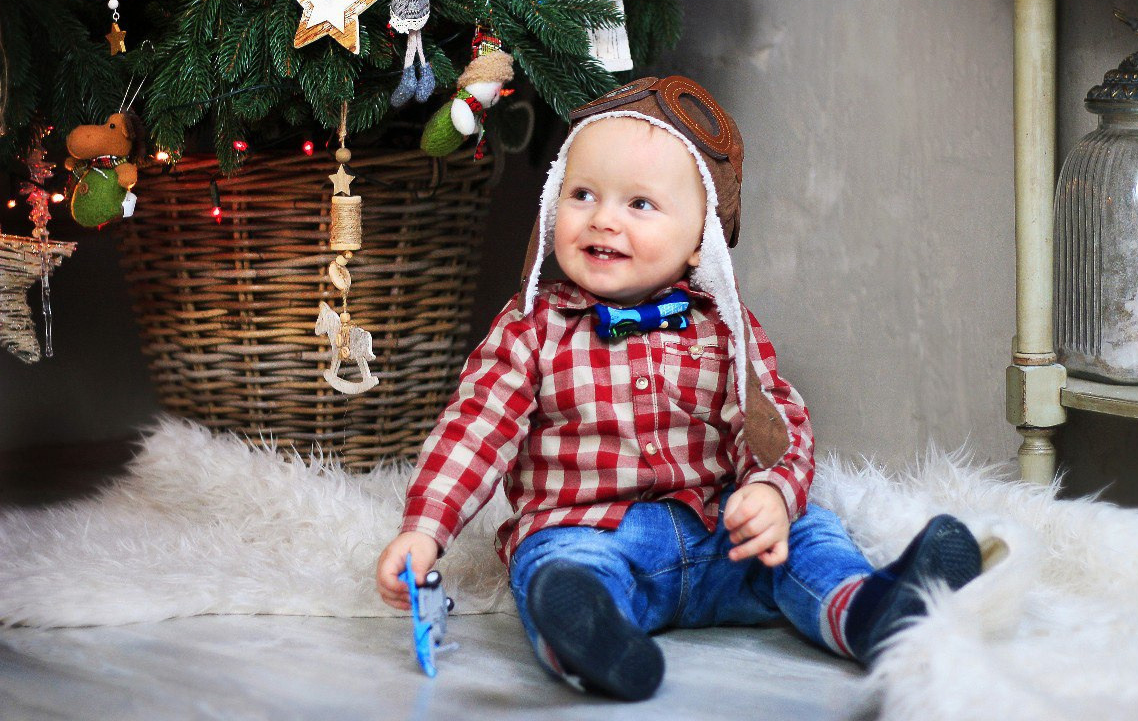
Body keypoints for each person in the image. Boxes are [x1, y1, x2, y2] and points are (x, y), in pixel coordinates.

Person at [376, 76, 982, 701]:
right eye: (581, 194)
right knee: (556, 566)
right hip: (593, 532)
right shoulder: (533, 327)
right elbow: (475, 430)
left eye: (639, 204)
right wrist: (425, 530)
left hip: (724, 537)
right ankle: (592, 638)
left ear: (701, 243)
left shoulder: (725, 327)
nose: (602, 219)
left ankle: (870, 611)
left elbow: (777, 423)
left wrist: (770, 492)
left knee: (811, 533)